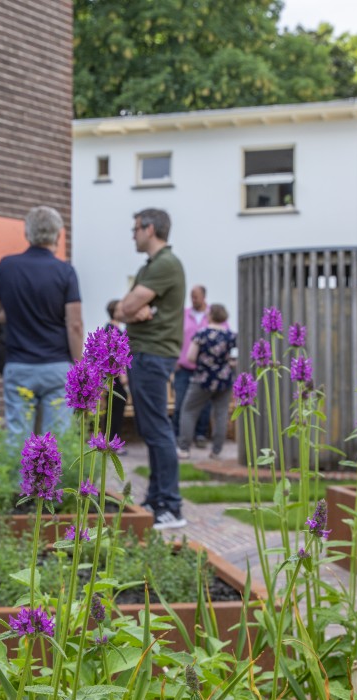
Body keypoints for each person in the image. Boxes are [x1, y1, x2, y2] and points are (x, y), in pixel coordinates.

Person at [0, 206, 83, 445]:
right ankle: (54, 483)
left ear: (27, 234)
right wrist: (79, 367)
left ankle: (17, 483)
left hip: (19, 364)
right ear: (58, 235)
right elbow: (75, 325)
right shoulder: (65, 271)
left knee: (18, 437)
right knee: (56, 439)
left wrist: (20, 313)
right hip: (56, 366)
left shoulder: (6, 266)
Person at [119, 208, 186, 531]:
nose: (132, 234)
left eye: (135, 229)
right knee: (151, 429)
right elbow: (123, 309)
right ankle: (157, 498)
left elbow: (126, 307)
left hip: (153, 354)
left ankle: (170, 506)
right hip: (145, 354)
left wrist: (131, 308)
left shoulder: (165, 264)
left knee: (158, 430)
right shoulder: (151, 266)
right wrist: (131, 309)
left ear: (149, 228)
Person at [177, 303, 236, 459]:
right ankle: (216, 451)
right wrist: (227, 363)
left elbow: (190, 356)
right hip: (224, 379)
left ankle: (184, 449)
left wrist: (204, 362)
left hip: (202, 378)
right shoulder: (230, 335)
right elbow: (235, 356)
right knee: (221, 414)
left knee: (189, 411)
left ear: (210, 316)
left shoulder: (201, 333)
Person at [173, 285, 213, 447]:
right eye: (191, 296)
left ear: (204, 296)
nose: (193, 299)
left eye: (196, 296)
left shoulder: (212, 315)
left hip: (205, 369)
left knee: (205, 404)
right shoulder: (183, 315)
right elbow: (174, 335)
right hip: (183, 367)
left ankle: (200, 435)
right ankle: (177, 435)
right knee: (180, 402)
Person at [105, 300, 129, 451]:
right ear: (115, 311)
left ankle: (112, 442)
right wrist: (123, 374)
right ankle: (113, 443)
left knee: (115, 407)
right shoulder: (112, 329)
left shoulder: (113, 328)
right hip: (114, 376)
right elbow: (116, 355)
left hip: (114, 376)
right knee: (116, 408)